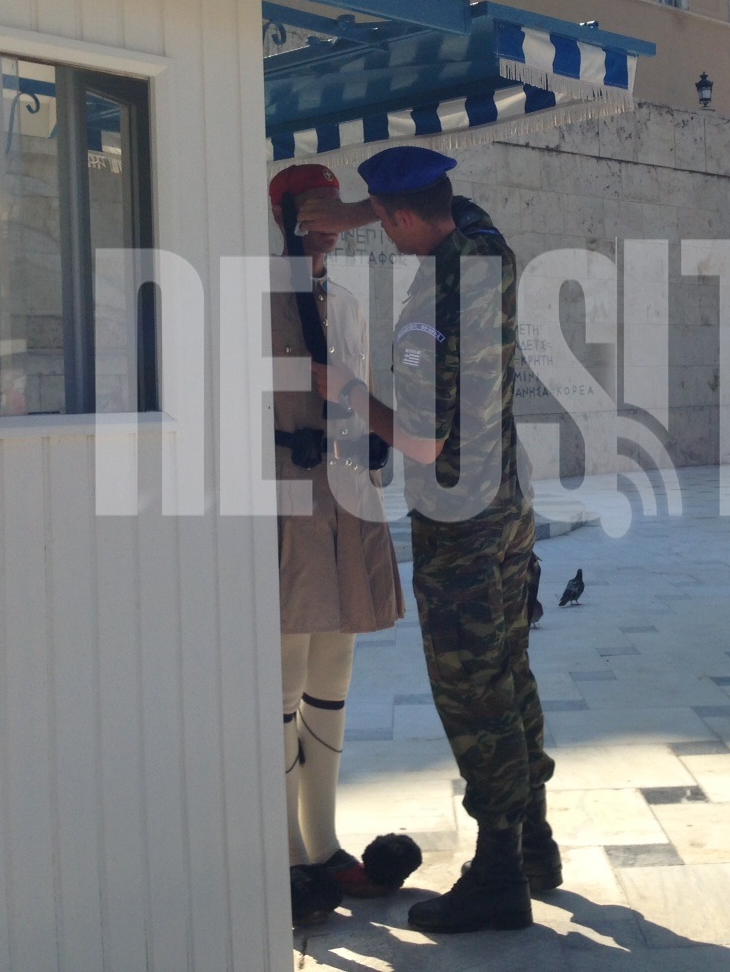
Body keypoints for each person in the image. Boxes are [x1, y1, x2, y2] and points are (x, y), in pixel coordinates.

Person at [309, 147, 557, 934]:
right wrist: (365, 208)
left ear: (404, 217)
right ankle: (536, 843)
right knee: (509, 672)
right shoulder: (488, 254)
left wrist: (346, 391)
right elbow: (462, 209)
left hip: (460, 525)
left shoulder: (429, 314)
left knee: (474, 694)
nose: (382, 235)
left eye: (386, 223)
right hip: (509, 505)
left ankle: (498, 875)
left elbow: (421, 441)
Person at [267, 164, 405, 924]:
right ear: (283, 219)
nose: (324, 232)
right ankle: (286, 849)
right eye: (310, 217)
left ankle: (323, 842)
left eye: (331, 218)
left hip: (344, 496)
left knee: (335, 665)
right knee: (284, 670)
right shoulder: (255, 302)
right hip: (285, 497)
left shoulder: (345, 303)